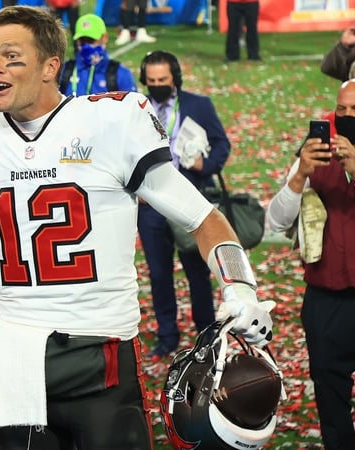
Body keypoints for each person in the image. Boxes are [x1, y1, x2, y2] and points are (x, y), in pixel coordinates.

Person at [0, 6, 274, 449]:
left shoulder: (111, 122)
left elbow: (205, 218)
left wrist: (240, 288)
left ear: (51, 67)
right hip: (16, 359)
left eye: (11, 56)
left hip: (100, 350)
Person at [268, 78, 355, 450]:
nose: (348, 117)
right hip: (327, 296)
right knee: (328, 391)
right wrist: (301, 175)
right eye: (342, 110)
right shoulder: (315, 153)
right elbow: (275, 221)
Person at [136, 50, 231, 359]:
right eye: (151, 81)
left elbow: (221, 143)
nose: (157, 86)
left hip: (189, 198)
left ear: (174, 77)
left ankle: (205, 333)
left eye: (162, 80)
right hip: (151, 203)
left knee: (196, 272)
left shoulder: (197, 105)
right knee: (159, 273)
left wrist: (207, 165)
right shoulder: (136, 109)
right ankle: (167, 336)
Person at [58, 13, 137, 96]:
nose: (86, 46)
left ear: (105, 38)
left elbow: (133, 107)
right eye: (82, 41)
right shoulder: (63, 71)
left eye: (91, 40)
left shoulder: (121, 75)